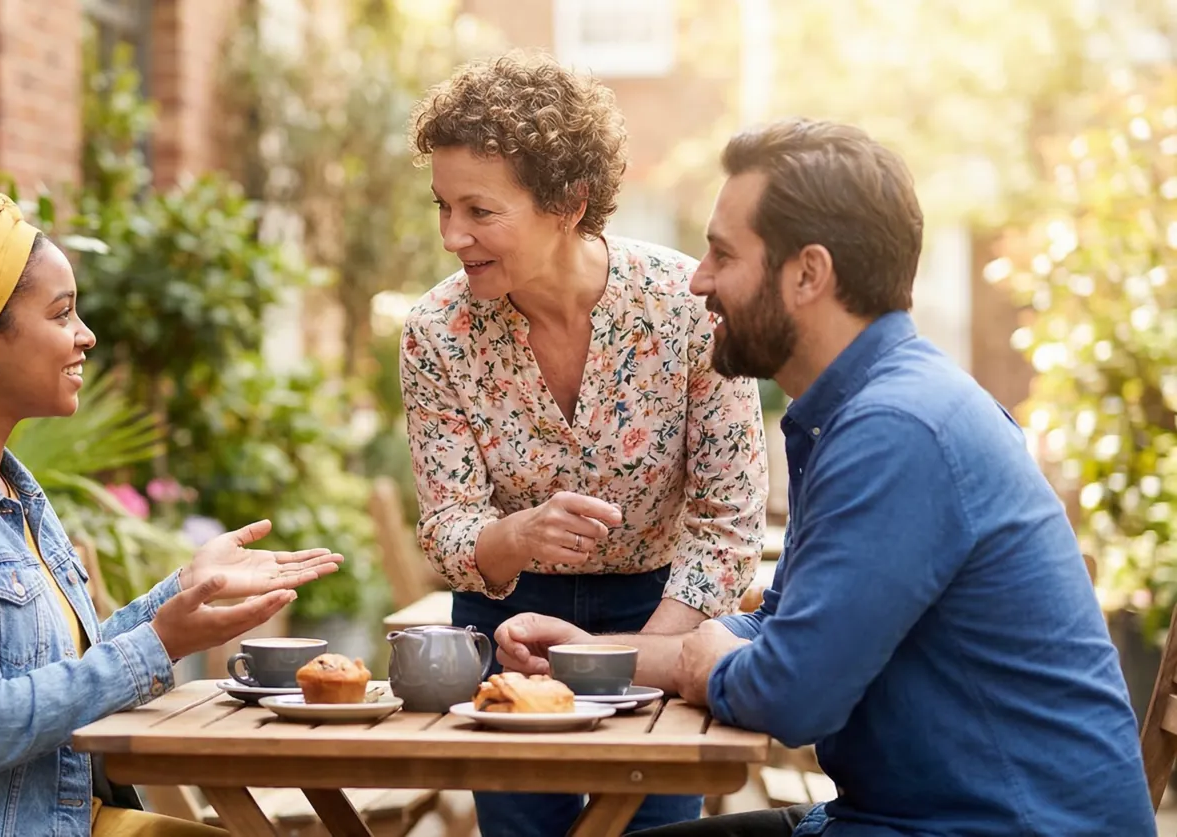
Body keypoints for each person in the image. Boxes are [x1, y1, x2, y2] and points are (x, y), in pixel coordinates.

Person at [494, 119, 1157, 837]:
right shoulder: (860, 411)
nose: (698, 279)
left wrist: (703, 659)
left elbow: (790, 695)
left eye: (722, 254)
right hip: (903, 818)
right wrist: (585, 655)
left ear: (808, 273)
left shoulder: (901, 429)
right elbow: (778, 630)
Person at [0, 194, 345, 837]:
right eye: (62, 314)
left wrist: (186, 593)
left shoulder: (9, 489)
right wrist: (163, 642)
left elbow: (52, 665)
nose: (86, 335)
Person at [400, 51, 768, 835]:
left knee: (659, 832)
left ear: (569, 202)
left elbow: (728, 520)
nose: (451, 236)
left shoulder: (685, 309)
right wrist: (514, 534)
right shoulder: (435, 332)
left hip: (666, 613)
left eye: (479, 210)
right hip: (510, 627)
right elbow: (447, 524)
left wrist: (642, 652)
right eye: (442, 206)